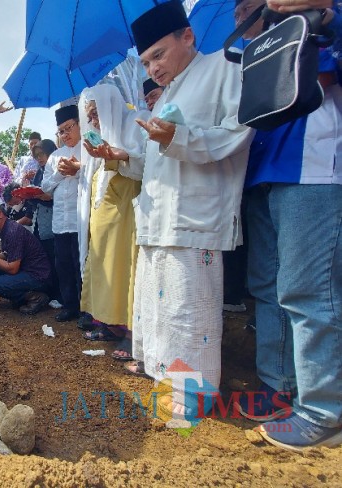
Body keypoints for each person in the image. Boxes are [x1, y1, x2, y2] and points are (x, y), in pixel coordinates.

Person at [127, 2, 254, 423]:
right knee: (162, 307)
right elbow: (153, 162)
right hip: (159, 215)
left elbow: (238, 133)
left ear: (188, 37)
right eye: (146, 62)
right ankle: (168, 375)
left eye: (158, 55)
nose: (153, 69)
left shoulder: (225, 68)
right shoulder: (166, 96)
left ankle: (196, 393)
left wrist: (179, 136)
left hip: (195, 214)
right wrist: (119, 157)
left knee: (190, 307)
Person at [230, 0, 342, 451]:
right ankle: (279, 388)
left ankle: (324, 409)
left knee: (308, 290)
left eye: (245, 8)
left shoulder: (319, 20)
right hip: (264, 173)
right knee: (267, 286)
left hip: (310, 167)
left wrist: (328, 14)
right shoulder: (253, 51)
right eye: (234, 13)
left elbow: (323, 77)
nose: (239, 19)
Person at [77, 84, 146, 361]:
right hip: (104, 211)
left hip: (127, 209)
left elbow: (148, 165)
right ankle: (109, 324)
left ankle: (133, 334)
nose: (92, 120)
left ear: (108, 107)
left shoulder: (136, 122)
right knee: (104, 268)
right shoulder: (100, 135)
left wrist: (119, 155)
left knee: (126, 269)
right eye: (90, 116)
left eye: (95, 114)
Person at [0, 195, 51, 315]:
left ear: (0, 213)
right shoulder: (4, 228)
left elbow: (12, 269)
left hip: (38, 276)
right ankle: (19, 299)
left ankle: (36, 297)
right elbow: (6, 255)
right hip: (27, 271)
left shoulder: (12, 231)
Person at [41, 105, 83, 322]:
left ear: (79, 124)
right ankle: (69, 306)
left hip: (81, 221)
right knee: (63, 266)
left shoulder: (89, 149)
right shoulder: (55, 156)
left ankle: (86, 309)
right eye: (61, 131)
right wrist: (59, 174)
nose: (65, 135)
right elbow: (45, 187)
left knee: (81, 266)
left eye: (68, 128)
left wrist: (79, 169)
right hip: (60, 221)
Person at [29, 139, 61, 303]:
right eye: (37, 156)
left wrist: (44, 195)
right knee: (44, 256)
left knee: (54, 257)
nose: (40, 158)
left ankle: (58, 294)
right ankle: (48, 291)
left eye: (42, 154)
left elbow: (56, 194)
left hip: (53, 219)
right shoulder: (39, 171)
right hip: (40, 220)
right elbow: (37, 192)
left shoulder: (58, 169)